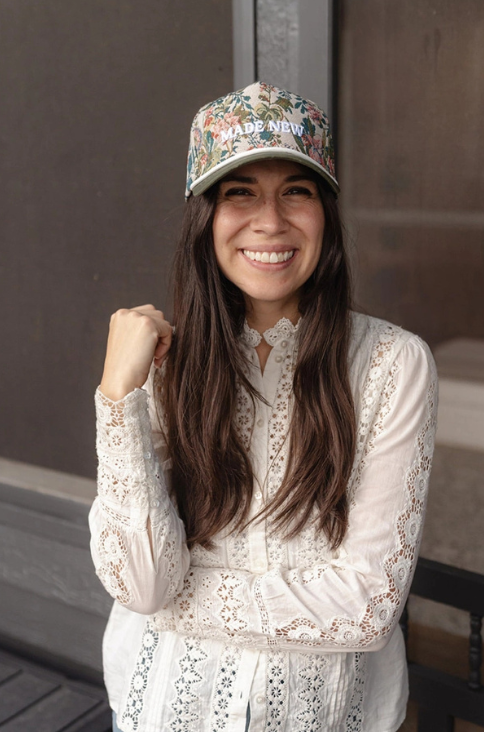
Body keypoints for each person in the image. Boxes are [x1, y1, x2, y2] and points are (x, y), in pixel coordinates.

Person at [89, 82, 438, 732]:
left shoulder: (394, 364)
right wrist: (118, 398)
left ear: (325, 212)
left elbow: (367, 606)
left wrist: (173, 604)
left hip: (322, 715)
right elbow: (140, 582)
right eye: (240, 192)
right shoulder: (163, 363)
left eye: (296, 191)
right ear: (205, 216)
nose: (270, 221)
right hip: (163, 706)